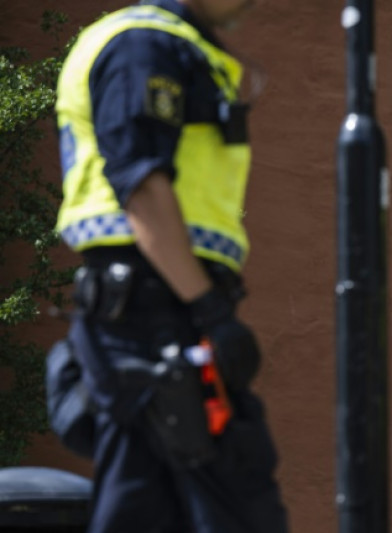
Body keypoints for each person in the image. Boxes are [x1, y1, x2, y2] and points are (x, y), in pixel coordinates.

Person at [49, 0, 289, 531]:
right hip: (158, 313)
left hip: (152, 311)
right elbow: (141, 185)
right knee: (237, 507)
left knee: (143, 509)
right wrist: (209, 312)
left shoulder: (172, 45)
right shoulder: (145, 46)